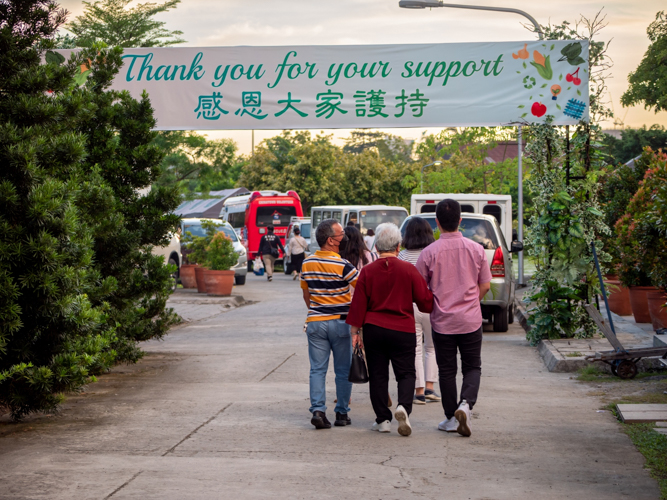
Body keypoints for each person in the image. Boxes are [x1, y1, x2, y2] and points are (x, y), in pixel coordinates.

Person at [347, 223, 433, 437]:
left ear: (376, 247)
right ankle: (403, 406)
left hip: (375, 329)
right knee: (406, 373)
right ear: (398, 246)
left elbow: (358, 305)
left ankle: (382, 419)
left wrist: (355, 333)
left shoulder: (367, 271)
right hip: (403, 329)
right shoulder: (409, 270)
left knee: (378, 375)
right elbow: (425, 303)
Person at [416, 200, 491, 438]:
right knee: (472, 366)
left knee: (447, 370)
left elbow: (420, 290)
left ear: (437, 223)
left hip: (442, 322)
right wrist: (471, 303)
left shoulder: (428, 253)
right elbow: (486, 285)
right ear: (460, 220)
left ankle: (450, 417)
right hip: (470, 321)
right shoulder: (476, 249)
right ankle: (466, 405)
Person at [300, 219, 358, 429]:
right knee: (343, 370)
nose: (345, 238)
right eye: (342, 234)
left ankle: (318, 411)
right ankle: (342, 413)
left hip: (315, 322)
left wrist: (317, 309)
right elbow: (361, 288)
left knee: (317, 369)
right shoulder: (344, 265)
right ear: (332, 241)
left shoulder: (307, 263)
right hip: (341, 323)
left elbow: (307, 295)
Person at [398, 217, 440, 405]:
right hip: (430, 304)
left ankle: (419, 391)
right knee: (432, 347)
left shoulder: (403, 255)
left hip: (410, 306)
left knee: (415, 348)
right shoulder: (434, 253)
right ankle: (431, 387)